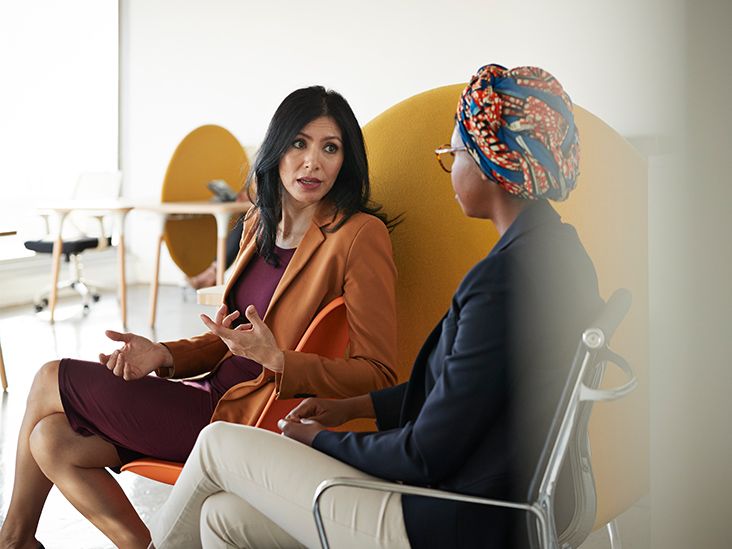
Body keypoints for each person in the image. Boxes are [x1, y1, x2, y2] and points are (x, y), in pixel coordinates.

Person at [148, 64, 604, 549]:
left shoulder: (501, 284)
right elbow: (461, 397)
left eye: (455, 152)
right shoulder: (559, 254)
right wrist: (352, 408)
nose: (450, 165)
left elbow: (425, 453)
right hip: (485, 501)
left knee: (217, 443)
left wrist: (317, 441)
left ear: (495, 162)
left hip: (448, 520)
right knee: (222, 517)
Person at [0, 86, 400, 549]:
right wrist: (162, 355)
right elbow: (225, 338)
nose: (312, 162)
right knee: (51, 439)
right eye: (299, 143)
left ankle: (12, 540)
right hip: (208, 394)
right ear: (277, 148)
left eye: (330, 147)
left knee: (51, 377)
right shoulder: (259, 221)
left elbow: (379, 374)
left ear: (345, 160)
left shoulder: (358, 236)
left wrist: (279, 360)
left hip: (242, 419)